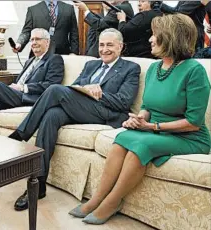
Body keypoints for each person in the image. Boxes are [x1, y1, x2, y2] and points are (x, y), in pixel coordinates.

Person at [69, 13, 210, 225]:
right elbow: (146, 107)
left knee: (140, 145)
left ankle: (112, 203)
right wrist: (138, 119)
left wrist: (151, 126)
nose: (150, 39)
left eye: (155, 35)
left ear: (170, 37)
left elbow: (194, 122)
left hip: (190, 137)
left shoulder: (194, 70)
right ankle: (97, 199)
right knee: (123, 138)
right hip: (155, 128)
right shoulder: (154, 68)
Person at [9, 28, 141, 211]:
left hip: (106, 113)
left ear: (120, 46)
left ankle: (20, 135)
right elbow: (74, 87)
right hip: (80, 108)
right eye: (101, 45)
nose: (104, 49)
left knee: (55, 89)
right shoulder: (91, 65)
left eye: (110, 45)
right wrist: (86, 89)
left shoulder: (130, 68)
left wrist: (99, 94)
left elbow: (124, 101)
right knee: (51, 115)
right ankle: (38, 183)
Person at [0, 28, 64, 130]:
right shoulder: (29, 61)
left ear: (47, 42)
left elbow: (51, 85)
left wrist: (23, 87)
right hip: (16, 95)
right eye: (32, 40)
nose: (34, 43)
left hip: (29, 98)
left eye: (38, 39)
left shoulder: (54, 59)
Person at [13, 0, 79, 57]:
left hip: (63, 55)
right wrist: (19, 43)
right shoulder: (33, 10)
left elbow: (74, 33)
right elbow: (26, 32)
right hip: (39, 56)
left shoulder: (69, 9)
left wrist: (74, 53)